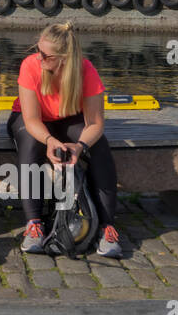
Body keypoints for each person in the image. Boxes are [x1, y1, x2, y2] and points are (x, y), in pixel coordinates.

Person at [7, 21, 121, 259]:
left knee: (99, 145)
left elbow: (95, 124)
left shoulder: (86, 70)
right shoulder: (30, 66)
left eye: (45, 54)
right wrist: (49, 141)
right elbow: (31, 120)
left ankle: (107, 227)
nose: (38, 57)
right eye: (37, 50)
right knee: (30, 142)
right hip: (33, 121)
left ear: (64, 58)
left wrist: (80, 147)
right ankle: (34, 223)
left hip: (69, 119)